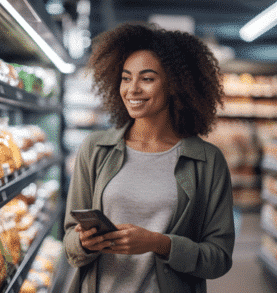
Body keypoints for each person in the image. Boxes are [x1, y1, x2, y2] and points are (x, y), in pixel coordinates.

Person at [63, 22, 235, 293]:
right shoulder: (96, 149)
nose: (132, 90)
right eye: (125, 77)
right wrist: (84, 242)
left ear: (175, 86)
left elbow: (219, 259)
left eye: (147, 78)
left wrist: (159, 243)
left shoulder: (206, 160)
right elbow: (70, 242)